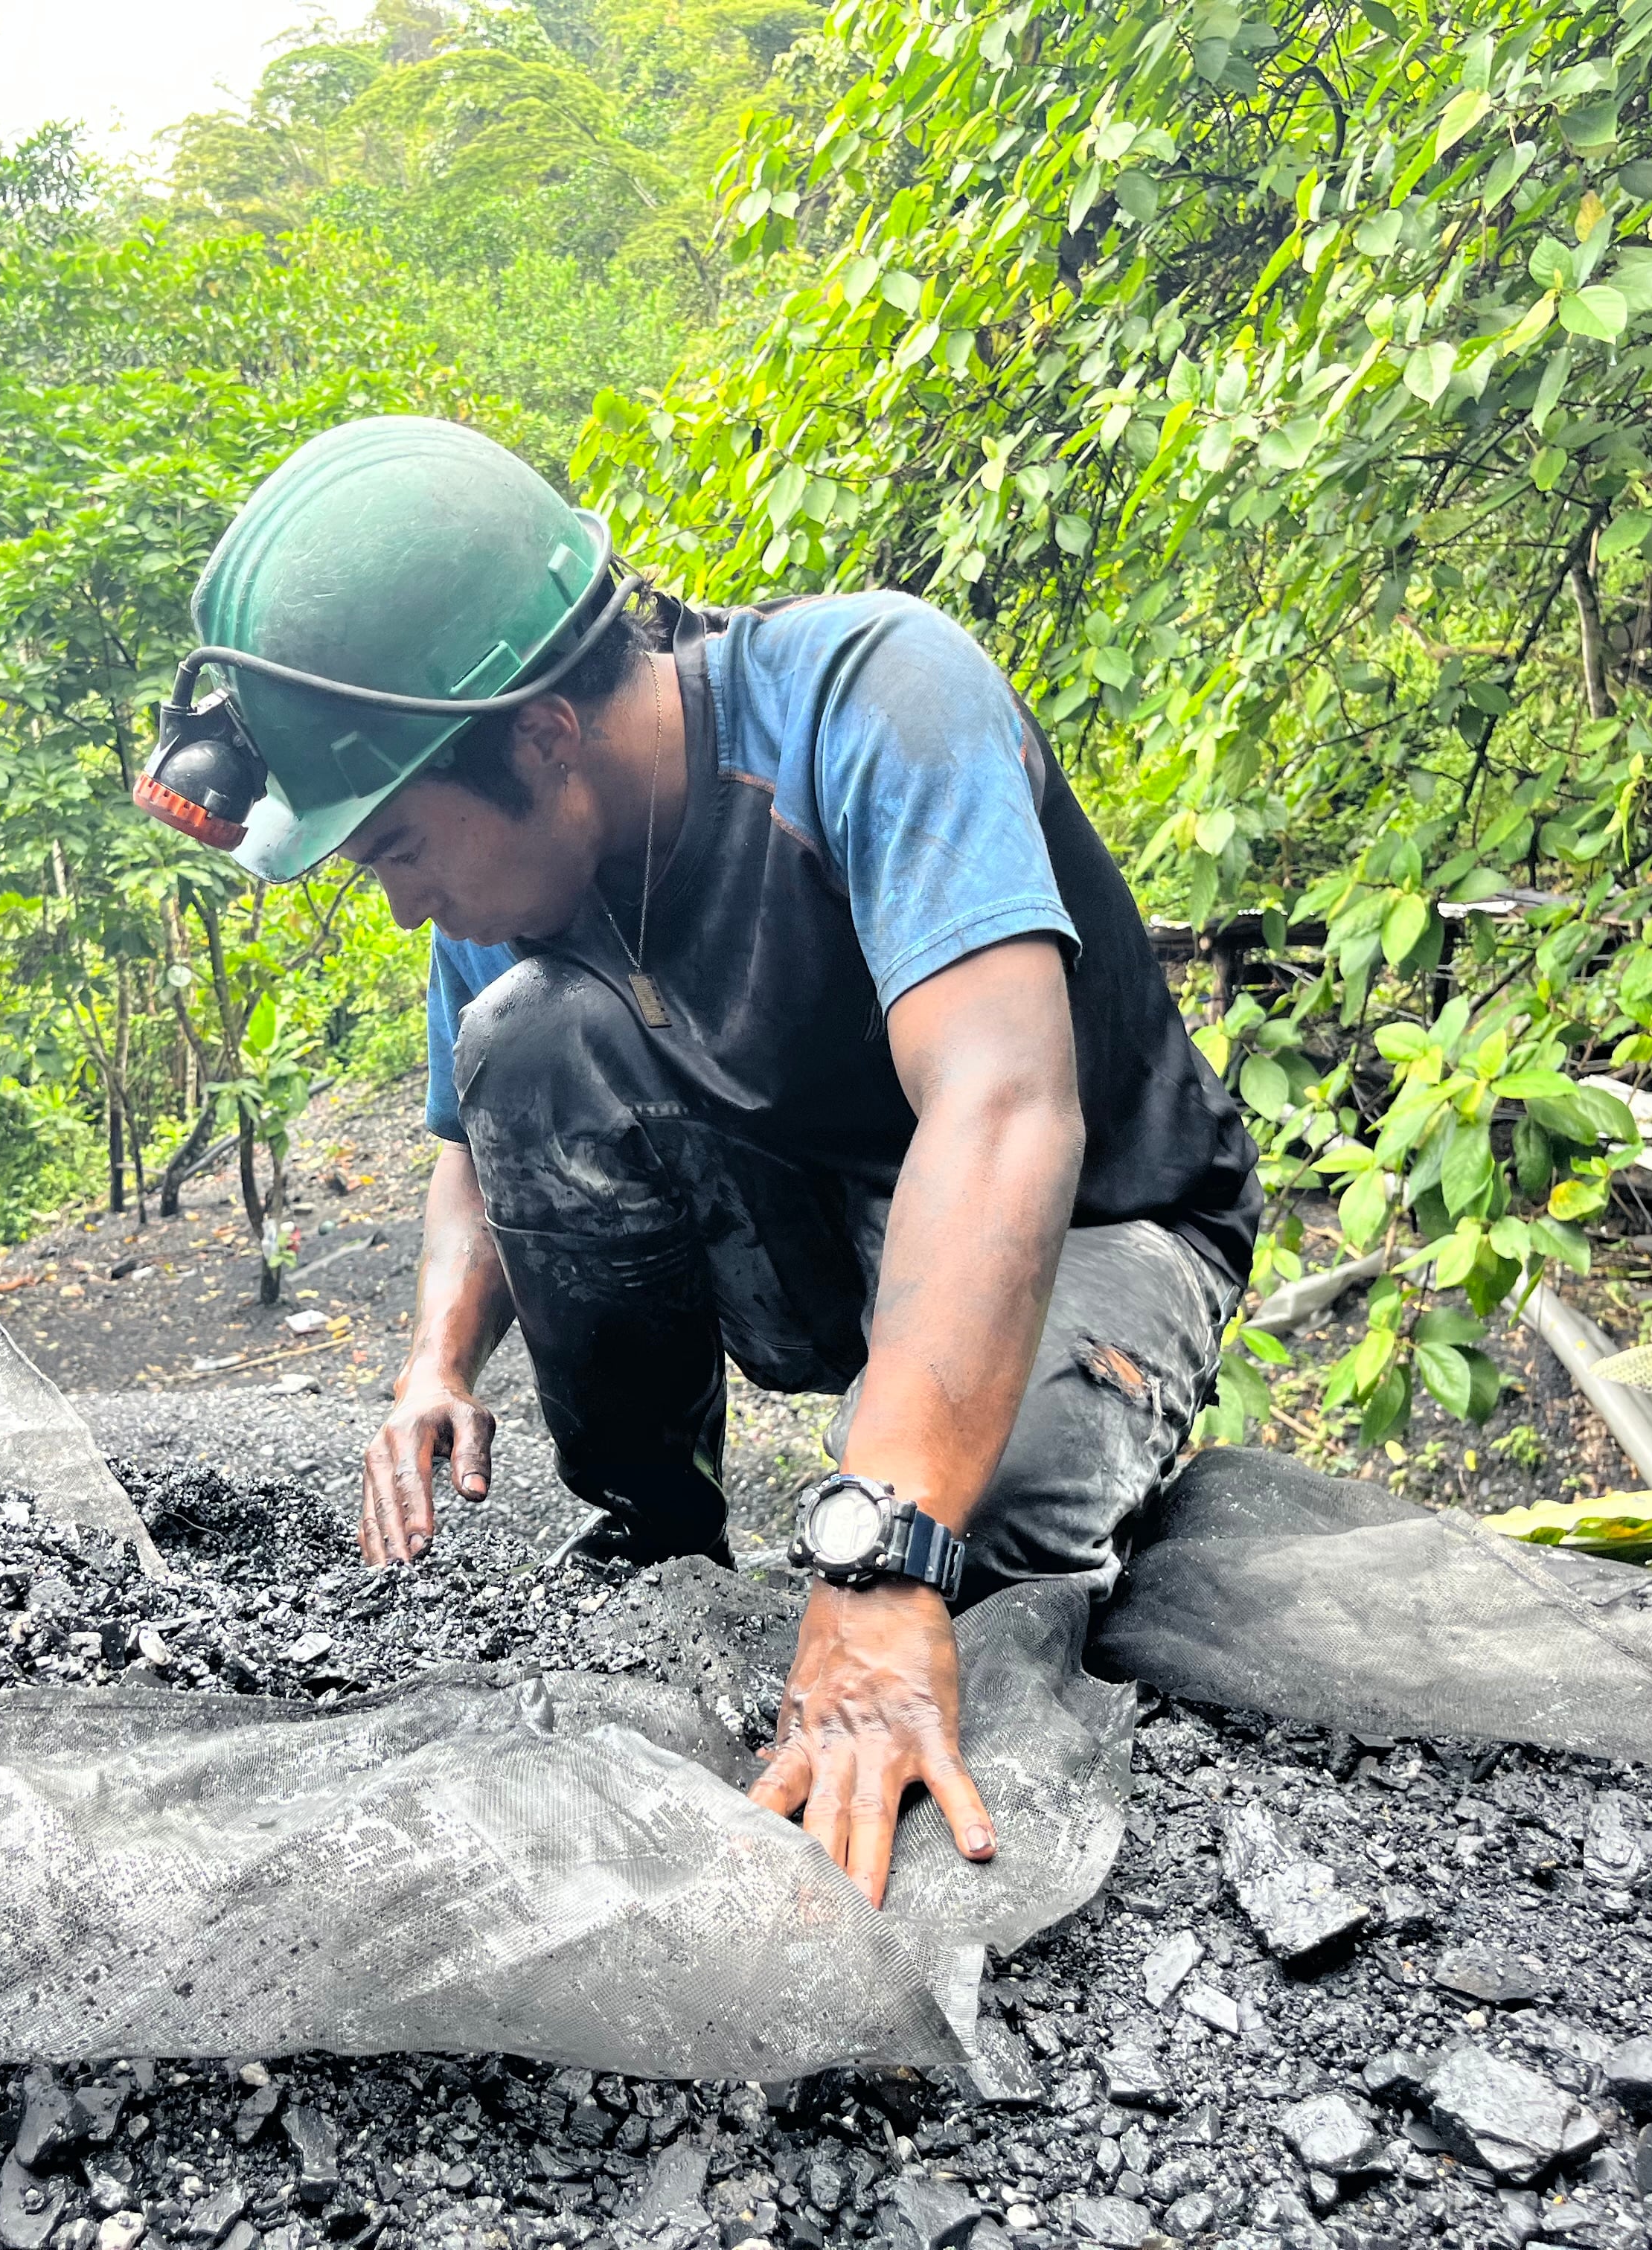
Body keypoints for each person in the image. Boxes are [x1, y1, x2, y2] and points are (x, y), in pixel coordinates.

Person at [128, 417, 1260, 1906]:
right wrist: (434, 1362)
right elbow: (481, 1134)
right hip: (811, 1216)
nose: (407, 907)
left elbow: (1004, 1114)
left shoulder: (874, 697)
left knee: (974, 1532)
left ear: (544, 736)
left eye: (401, 850)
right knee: (527, 1032)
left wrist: (876, 1559)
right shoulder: (506, 870)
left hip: (1093, 1221)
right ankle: (648, 1548)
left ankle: (955, 1465)